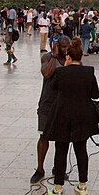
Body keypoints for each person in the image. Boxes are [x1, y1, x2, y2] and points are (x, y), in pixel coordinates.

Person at [42, 39, 99, 195]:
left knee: (61, 150)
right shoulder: (89, 72)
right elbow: (95, 94)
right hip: (83, 116)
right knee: (81, 150)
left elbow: (54, 88)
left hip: (63, 115)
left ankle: (58, 187)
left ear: (68, 57)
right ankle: (82, 185)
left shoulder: (61, 72)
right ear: (81, 57)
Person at [31, 35, 71, 185]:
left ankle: (58, 168)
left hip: (63, 103)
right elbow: (46, 73)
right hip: (47, 103)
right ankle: (40, 169)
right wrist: (54, 56)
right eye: (62, 47)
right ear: (56, 46)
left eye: (67, 46)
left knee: (62, 139)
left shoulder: (70, 58)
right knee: (44, 137)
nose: (65, 49)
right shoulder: (47, 57)